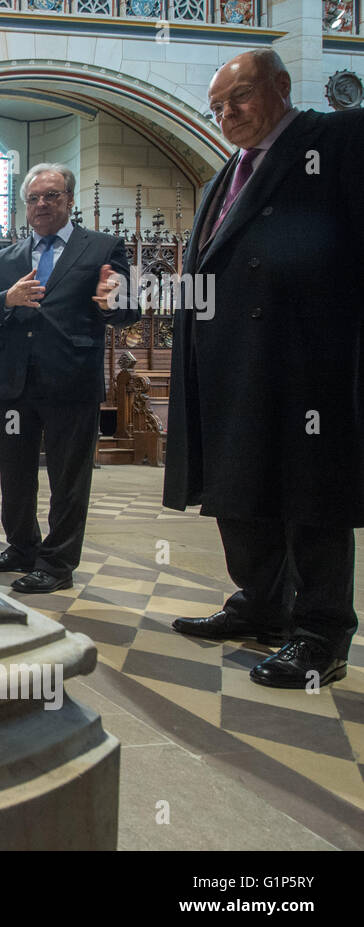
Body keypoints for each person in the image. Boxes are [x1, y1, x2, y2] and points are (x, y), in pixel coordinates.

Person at [166, 49, 364, 688]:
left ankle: (320, 632)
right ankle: (260, 604)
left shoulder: (334, 138)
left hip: (306, 358)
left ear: (280, 86)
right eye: (218, 106)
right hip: (228, 362)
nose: (228, 114)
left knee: (310, 497)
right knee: (238, 490)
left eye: (241, 97)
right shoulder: (227, 172)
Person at [0, 163, 136, 593]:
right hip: (14, 382)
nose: (42, 204)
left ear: (69, 200)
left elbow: (129, 308)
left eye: (52, 196)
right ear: (25, 206)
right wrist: (8, 298)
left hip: (70, 379)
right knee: (15, 472)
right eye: (34, 198)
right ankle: (21, 547)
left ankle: (57, 563)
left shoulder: (101, 247)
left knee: (68, 477)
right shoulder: (6, 258)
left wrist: (113, 301)